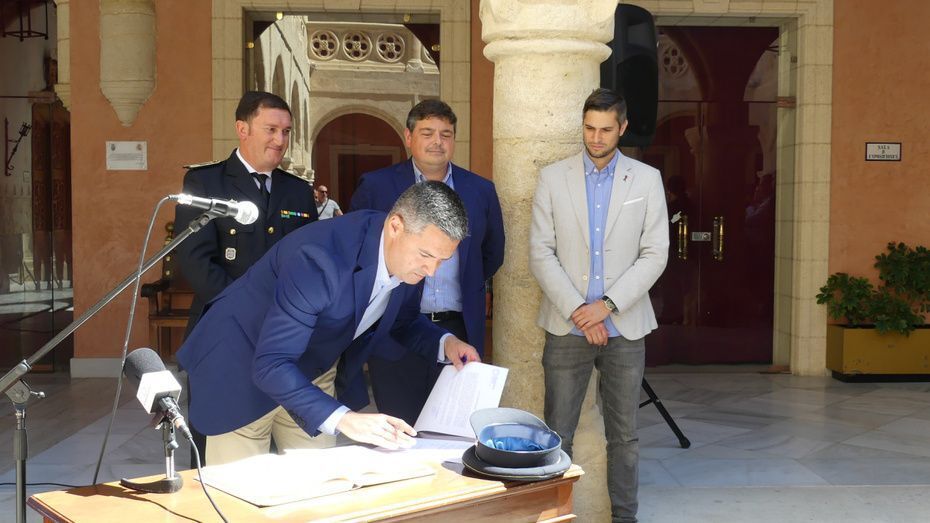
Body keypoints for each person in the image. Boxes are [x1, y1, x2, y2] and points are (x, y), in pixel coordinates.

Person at [176, 181, 481, 466]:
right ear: (395, 226)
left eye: (442, 260)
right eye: (426, 256)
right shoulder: (319, 260)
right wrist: (346, 419)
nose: (431, 271)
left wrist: (446, 343)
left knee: (319, 484)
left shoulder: (409, 256)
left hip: (311, 368)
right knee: (238, 492)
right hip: (242, 363)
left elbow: (402, 319)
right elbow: (271, 365)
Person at [529, 88, 668, 523]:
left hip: (624, 326)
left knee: (624, 436)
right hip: (566, 326)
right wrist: (579, 310)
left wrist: (605, 307)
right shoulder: (553, 178)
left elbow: (655, 254)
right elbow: (540, 252)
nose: (596, 137)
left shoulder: (646, 179)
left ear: (622, 128)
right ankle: (555, 516)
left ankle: (625, 518)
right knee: (556, 435)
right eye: (589, 128)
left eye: (606, 129)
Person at [173, 91, 317, 465]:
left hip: (283, 338)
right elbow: (195, 260)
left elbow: (311, 263)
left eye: (286, 131)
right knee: (218, 450)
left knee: (284, 453)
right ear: (242, 129)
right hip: (223, 333)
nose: (280, 140)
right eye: (271, 129)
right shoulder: (205, 183)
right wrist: (250, 311)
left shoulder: (297, 191)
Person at [350, 100, 505, 425]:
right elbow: (359, 252)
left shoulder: (480, 190)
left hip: (459, 330)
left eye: (446, 134)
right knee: (399, 429)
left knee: (454, 430)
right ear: (409, 137)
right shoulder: (377, 186)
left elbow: (492, 252)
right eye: (427, 133)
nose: (437, 141)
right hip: (393, 329)